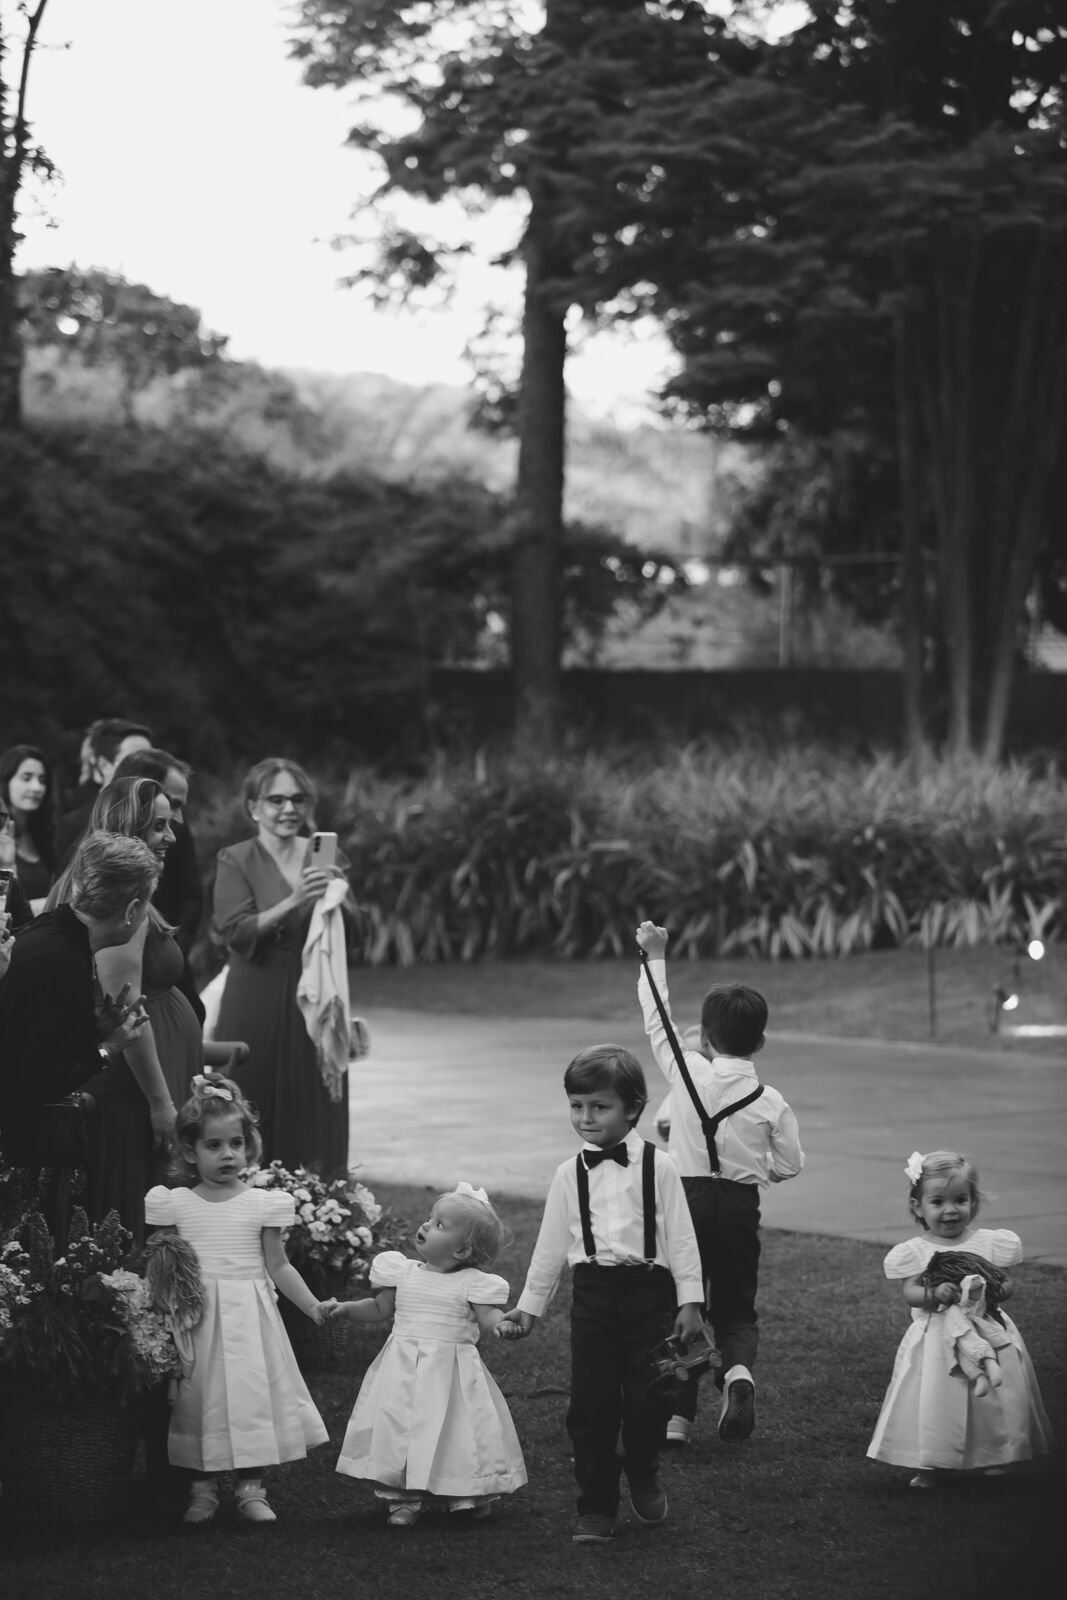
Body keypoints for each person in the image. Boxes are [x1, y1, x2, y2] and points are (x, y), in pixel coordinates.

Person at [503, 1045, 705, 1544]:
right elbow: (550, 1248)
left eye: (599, 1106)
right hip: (593, 1296)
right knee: (590, 1408)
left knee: (650, 1401)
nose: (585, 1117)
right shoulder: (567, 1174)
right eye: (577, 1106)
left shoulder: (661, 1167)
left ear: (632, 1108)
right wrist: (529, 1308)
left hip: (649, 1296)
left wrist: (691, 1302)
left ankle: (642, 1469)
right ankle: (595, 1505)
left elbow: (681, 1237)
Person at [635, 921, 804, 1447]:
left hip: (684, 1200)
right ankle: (736, 1375)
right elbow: (791, 1163)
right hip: (737, 1203)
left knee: (679, 1303)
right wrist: (760, 1172)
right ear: (762, 1041)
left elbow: (658, 1021)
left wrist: (655, 955)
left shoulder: (687, 1072)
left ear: (705, 1038)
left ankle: (677, 1419)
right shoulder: (770, 1099)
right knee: (734, 1306)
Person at [144, 1074, 331, 1525]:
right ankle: (202, 1489)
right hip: (196, 1318)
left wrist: (312, 1306)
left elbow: (278, 1265)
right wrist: (159, 1317)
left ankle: (251, 1487)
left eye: (236, 1143)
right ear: (189, 1151)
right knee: (196, 1399)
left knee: (251, 1395)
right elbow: (165, 1266)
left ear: (249, 1146)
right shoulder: (177, 1204)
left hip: (249, 1318)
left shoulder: (262, 1204)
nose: (228, 1154)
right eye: (214, 1145)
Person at [46, 777, 201, 1229]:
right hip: (135, 1082)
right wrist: (161, 1103)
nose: (171, 837)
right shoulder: (118, 902)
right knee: (136, 1201)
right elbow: (124, 1004)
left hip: (152, 1070)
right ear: (126, 828)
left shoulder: (133, 892)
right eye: (158, 827)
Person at [329, 1182, 527, 1528]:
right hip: (401, 1370)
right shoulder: (403, 1273)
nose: (425, 1225)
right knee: (400, 1427)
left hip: (449, 1375)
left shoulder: (472, 1283)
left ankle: (467, 1491)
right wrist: (347, 1309)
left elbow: (489, 1316)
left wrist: (501, 1325)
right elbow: (378, 1308)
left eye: (439, 1225)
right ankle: (404, 1497)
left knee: (457, 1432)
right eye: (429, 1218)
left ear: (463, 1251)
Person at [866, 1149, 1054, 1489]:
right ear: (918, 1208)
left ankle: (995, 1453)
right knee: (936, 1395)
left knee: (995, 1396)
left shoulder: (988, 1244)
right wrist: (932, 1293)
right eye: (938, 1202)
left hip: (987, 1327)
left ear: (973, 1203)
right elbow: (910, 1292)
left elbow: (1008, 1282)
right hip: (938, 1337)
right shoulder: (918, 1250)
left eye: (960, 1200)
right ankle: (932, 1460)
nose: (950, 1210)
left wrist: (994, 1290)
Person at [0, 833, 156, 1233]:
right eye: (147, 903)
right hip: (14, 1147)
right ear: (132, 909)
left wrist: (92, 1031)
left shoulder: (52, 931)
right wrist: (108, 1048)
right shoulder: (65, 964)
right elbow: (39, 1080)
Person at [212, 758, 350, 1173]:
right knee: (253, 1094)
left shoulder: (323, 854)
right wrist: (294, 901)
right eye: (276, 800)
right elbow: (233, 930)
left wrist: (337, 897)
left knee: (313, 1097)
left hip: (315, 990)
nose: (289, 808)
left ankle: (321, 1209)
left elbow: (353, 929)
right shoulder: (235, 859)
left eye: (297, 799)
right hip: (257, 988)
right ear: (253, 807)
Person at [112, 747, 205, 1023]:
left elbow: (193, 894)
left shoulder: (173, 839)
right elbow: (126, 1005)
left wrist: (173, 952)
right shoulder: (121, 898)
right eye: (172, 804)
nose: (177, 825)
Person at [55, 718, 153, 865]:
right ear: (103, 765)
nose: (147, 769)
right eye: (135, 761)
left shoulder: (166, 821)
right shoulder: (73, 826)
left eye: (152, 760)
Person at [0, 743, 59, 914]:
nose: (37, 788)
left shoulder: (45, 833)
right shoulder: (2, 837)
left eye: (42, 780)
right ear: (6, 780)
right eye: (26, 778)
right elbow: (4, 908)